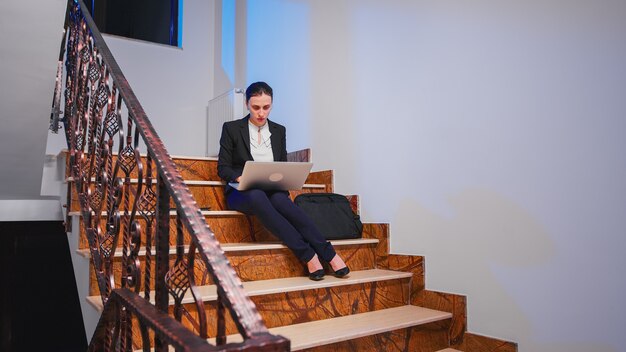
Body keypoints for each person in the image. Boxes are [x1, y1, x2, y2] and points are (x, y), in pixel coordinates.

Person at [217, 82, 349, 281]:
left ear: (272, 104)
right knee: (257, 196)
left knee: (281, 201)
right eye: (256, 107)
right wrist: (239, 177)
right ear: (246, 104)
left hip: (271, 189)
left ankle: (329, 253)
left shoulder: (279, 131)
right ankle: (308, 255)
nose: (261, 113)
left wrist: (286, 177)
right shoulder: (232, 129)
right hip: (242, 191)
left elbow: (281, 164)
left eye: (266, 107)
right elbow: (223, 167)